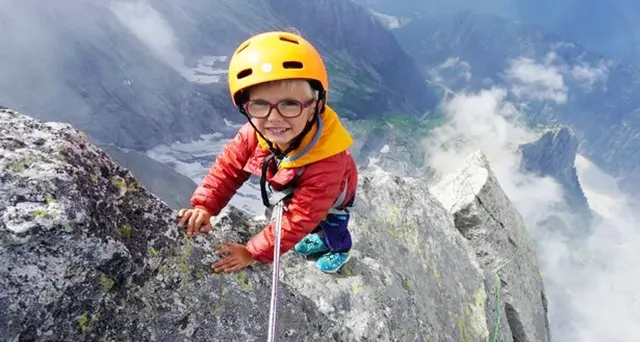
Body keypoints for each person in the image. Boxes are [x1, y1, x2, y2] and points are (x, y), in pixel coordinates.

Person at [177, 31, 358, 274]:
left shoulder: (327, 163)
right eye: (260, 104)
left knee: (332, 221)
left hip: (334, 191)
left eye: (290, 104)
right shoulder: (255, 134)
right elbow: (228, 169)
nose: (274, 118)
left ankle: (339, 248)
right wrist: (204, 206)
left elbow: (299, 218)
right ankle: (323, 238)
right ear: (246, 108)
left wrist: (252, 252)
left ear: (316, 104)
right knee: (313, 220)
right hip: (299, 181)